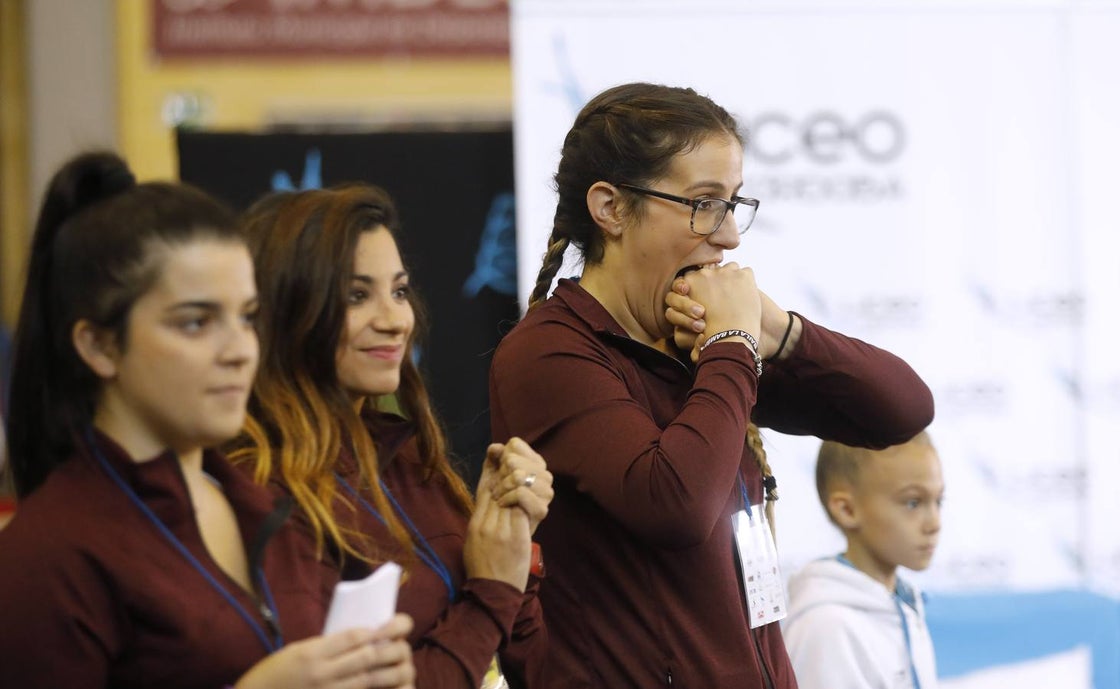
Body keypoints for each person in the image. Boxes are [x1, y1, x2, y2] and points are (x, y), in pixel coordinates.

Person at [488, 82, 936, 689]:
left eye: (733, 204)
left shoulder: (696, 336)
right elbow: (675, 503)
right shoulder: (549, 353)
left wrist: (778, 330)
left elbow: (902, 410)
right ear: (611, 208)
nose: (728, 236)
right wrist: (733, 348)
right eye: (703, 203)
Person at [0, 152, 416, 689]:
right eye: (196, 323)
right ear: (100, 345)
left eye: (246, 318)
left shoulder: (266, 504)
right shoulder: (49, 558)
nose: (240, 350)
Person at [231, 184, 553, 689]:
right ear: (287, 310)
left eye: (399, 291)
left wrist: (510, 540)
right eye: (357, 296)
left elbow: (532, 665)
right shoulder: (260, 492)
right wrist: (492, 590)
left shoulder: (407, 461)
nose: (394, 320)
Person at [783, 433, 943, 689]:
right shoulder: (826, 628)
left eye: (938, 501)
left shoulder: (902, 607)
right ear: (847, 509)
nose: (934, 523)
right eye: (913, 502)